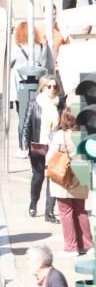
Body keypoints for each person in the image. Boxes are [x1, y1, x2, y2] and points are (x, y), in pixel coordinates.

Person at [46, 109, 93, 254]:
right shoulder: (86, 135)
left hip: (64, 178)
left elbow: (50, 157)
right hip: (81, 175)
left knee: (66, 212)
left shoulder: (61, 135)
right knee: (81, 211)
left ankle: (71, 247)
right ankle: (87, 244)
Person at [20, 74, 62, 222]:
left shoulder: (59, 104)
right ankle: (33, 202)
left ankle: (49, 212)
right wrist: (24, 145)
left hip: (55, 145)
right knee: (38, 177)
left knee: (54, 177)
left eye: (54, 87)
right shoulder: (34, 103)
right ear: (42, 87)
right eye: (48, 86)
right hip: (38, 144)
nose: (52, 89)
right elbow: (26, 126)